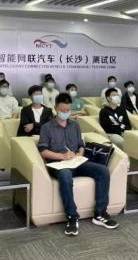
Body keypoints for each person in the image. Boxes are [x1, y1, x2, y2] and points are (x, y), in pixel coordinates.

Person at [38, 93, 119, 236]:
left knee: (103, 171)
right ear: (56, 108)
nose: (65, 113)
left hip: (77, 162)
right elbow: (43, 151)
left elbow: (81, 145)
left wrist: (80, 154)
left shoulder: (75, 125)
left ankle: (100, 213)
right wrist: (62, 156)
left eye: (68, 110)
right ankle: (72, 217)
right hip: (59, 165)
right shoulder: (47, 127)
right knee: (65, 176)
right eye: (62, 110)